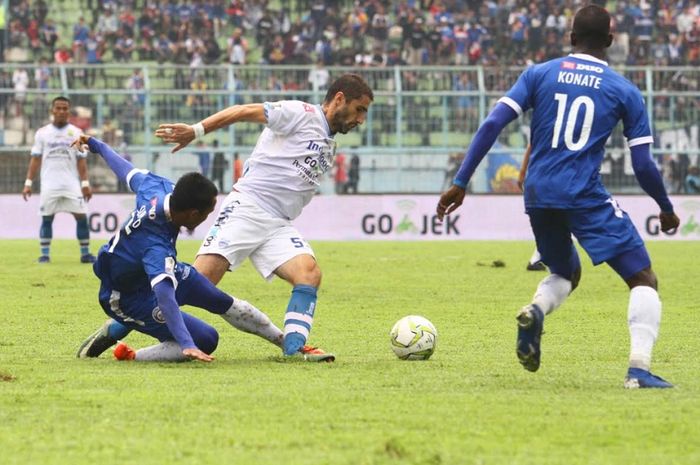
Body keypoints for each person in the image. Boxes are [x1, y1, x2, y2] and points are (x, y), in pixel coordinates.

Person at [436, 5, 680, 389]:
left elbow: (492, 123)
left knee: (566, 272)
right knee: (643, 278)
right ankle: (639, 370)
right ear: (611, 42)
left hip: (537, 192)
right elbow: (643, 163)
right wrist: (665, 207)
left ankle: (535, 310)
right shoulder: (624, 90)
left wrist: (461, 181)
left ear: (570, 38)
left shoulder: (539, 74)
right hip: (583, 193)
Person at [155, 73, 374, 358]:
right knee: (196, 284)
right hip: (247, 210)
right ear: (339, 99)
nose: (361, 120)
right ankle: (119, 326)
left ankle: (294, 350)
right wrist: (196, 131)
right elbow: (242, 111)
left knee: (309, 273)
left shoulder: (328, 139)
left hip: (278, 224)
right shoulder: (301, 114)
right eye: (360, 110)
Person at [73, 135, 326, 362]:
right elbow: (164, 295)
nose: (206, 220)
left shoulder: (158, 188)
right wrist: (186, 344)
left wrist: (96, 144)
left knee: (221, 300)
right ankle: (130, 355)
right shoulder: (155, 245)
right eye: (206, 215)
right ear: (193, 213)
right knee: (205, 339)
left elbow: (125, 169)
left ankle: (286, 345)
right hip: (126, 298)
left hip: (148, 274)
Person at [22, 96, 95, 264]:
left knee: (82, 216)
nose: (61, 111)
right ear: (52, 110)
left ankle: (85, 254)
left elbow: (81, 159)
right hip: (49, 185)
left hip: (71, 184)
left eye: (65, 108)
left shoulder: (76, 133)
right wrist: (28, 183)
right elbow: (35, 158)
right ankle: (44, 255)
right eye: (58, 108)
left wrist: (85, 184)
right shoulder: (42, 133)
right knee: (47, 217)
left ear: (69, 112)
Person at [518, 144, 546, 272]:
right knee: (557, 218)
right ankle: (536, 258)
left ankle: (537, 258)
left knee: (553, 220)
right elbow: (531, 144)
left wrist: (523, 172)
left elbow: (531, 144)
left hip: (540, 177)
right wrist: (523, 172)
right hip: (550, 178)